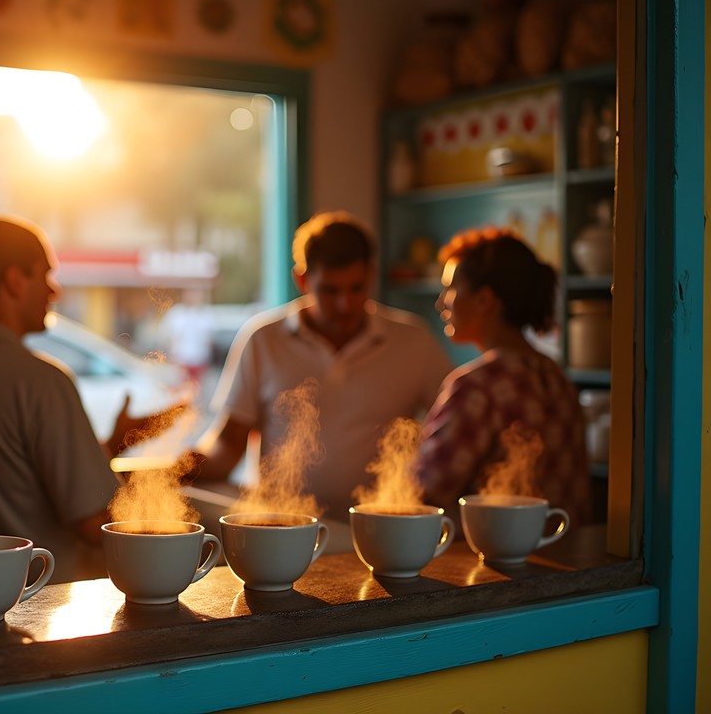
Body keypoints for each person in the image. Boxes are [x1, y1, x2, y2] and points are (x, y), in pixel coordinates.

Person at [0, 216, 159, 589]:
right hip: (30, 608)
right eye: (45, 275)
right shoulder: (42, 382)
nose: (55, 291)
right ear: (14, 280)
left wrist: (111, 443)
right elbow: (94, 522)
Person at [192, 211, 453, 521]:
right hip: (283, 528)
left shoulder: (413, 341)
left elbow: (455, 427)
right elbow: (228, 444)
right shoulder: (263, 339)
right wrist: (169, 471)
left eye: (356, 288)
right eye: (330, 290)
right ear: (302, 279)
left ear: (371, 275)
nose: (345, 304)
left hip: (379, 531)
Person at [415, 227, 592, 525]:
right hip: (563, 553)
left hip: (486, 562)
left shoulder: (477, 386)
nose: (441, 302)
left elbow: (424, 493)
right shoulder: (556, 377)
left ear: (485, 299)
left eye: (451, 288)